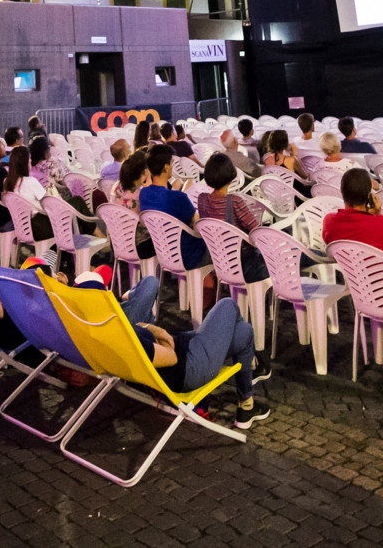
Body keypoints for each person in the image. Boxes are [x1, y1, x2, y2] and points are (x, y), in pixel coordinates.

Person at [115, 271, 270, 427]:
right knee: (227, 304)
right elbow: (170, 358)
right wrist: (159, 333)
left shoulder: (110, 331)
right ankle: (251, 365)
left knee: (244, 332)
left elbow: (150, 283)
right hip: (190, 366)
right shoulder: (129, 339)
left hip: (185, 351)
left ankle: (247, 404)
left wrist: (148, 327)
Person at [321, 168, 383, 311]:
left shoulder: (329, 222)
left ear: (342, 193)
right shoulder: (381, 224)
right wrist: (378, 215)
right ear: (369, 196)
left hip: (366, 296)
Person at [194, 154, 269, 283]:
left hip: (219, 262)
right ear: (230, 175)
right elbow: (257, 231)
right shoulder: (235, 202)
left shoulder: (203, 200)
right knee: (295, 256)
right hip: (245, 265)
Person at [135, 146, 206, 270]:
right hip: (188, 254)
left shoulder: (144, 194)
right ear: (166, 167)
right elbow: (198, 224)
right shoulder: (178, 198)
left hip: (163, 252)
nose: (173, 167)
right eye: (172, 163)